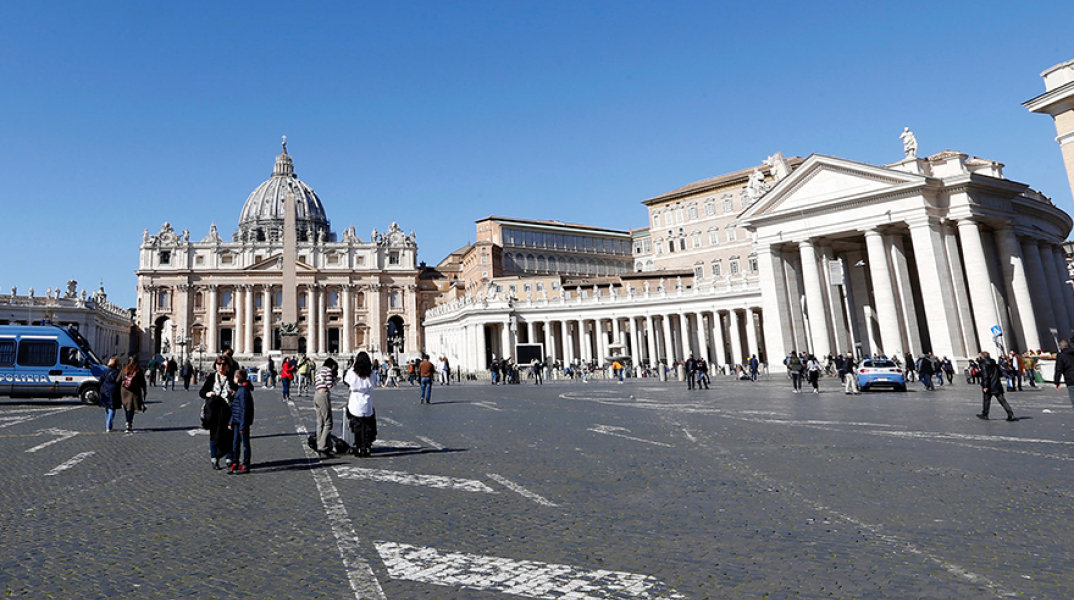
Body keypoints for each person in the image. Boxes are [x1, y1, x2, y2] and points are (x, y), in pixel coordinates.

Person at [200, 357, 236, 470]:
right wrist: (208, 393)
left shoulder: (232, 377)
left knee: (229, 434)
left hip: (227, 410)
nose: (221, 366)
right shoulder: (211, 377)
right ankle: (214, 458)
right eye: (219, 364)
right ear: (215, 365)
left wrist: (234, 392)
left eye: (224, 364)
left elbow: (239, 389)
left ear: (228, 365)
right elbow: (201, 392)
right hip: (214, 411)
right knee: (214, 435)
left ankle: (229, 458)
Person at [345, 352, 377, 457]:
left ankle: (359, 447)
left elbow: (347, 381)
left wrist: (352, 366)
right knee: (368, 426)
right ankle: (367, 446)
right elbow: (373, 386)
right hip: (367, 400)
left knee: (357, 426)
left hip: (355, 401)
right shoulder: (372, 374)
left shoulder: (352, 373)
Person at [228, 369, 255, 474]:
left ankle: (246, 464)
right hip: (236, 421)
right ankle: (235, 462)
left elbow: (244, 410)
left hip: (242, 423)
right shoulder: (240, 390)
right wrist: (231, 421)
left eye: (234, 376)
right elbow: (235, 408)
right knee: (235, 443)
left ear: (238, 378)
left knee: (244, 444)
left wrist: (243, 426)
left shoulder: (243, 391)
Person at [977, 351, 1016, 421]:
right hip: (997, 384)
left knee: (986, 400)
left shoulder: (983, 364)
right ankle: (1010, 414)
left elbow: (985, 376)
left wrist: (985, 386)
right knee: (1002, 400)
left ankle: (985, 414)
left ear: (982, 357)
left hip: (989, 385)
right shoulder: (994, 363)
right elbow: (1000, 373)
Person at [314, 358, 339, 457]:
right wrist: (336, 380)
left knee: (320, 422)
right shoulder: (328, 370)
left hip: (316, 394)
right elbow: (329, 385)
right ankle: (322, 446)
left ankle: (320, 444)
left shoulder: (319, 370)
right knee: (328, 422)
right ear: (332, 366)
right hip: (323, 394)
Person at [118, 357, 147, 433]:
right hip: (135, 391)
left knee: (126, 407)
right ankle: (129, 423)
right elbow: (143, 382)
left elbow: (117, 380)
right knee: (131, 408)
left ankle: (127, 421)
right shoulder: (138, 370)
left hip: (124, 391)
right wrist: (144, 391)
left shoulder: (124, 369)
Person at [98, 357, 120, 432]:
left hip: (105, 389)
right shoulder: (117, 372)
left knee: (107, 407)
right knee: (112, 407)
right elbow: (119, 381)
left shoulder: (105, 371)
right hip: (114, 390)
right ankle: (109, 426)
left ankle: (108, 425)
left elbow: (101, 381)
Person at [1053, 340, 1074, 411]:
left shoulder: (1061, 356)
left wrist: (1056, 382)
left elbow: (1058, 369)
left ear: (1061, 347)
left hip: (1071, 379)